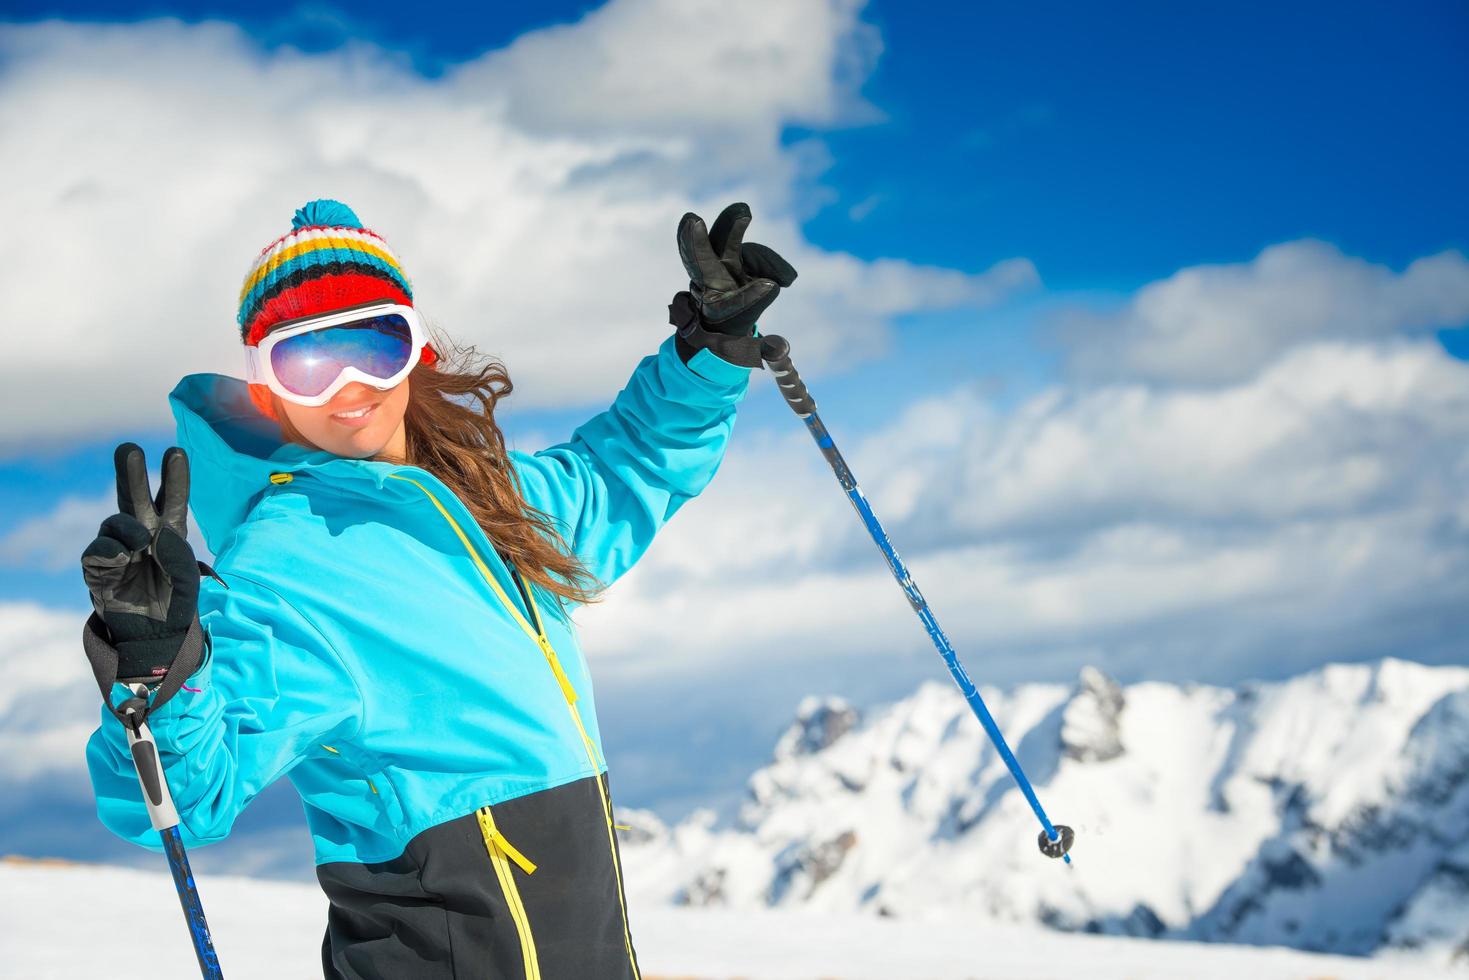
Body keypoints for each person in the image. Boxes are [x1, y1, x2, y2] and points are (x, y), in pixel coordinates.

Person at [79, 198, 797, 978]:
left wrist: (714, 351)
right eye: (308, 362)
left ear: (414, 348)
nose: (349, 384)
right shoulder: (283, 569)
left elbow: (622, 467)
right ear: (268, 387)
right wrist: (156, 675)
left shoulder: (491, 502)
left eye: (373, 343)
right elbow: (180, 801)